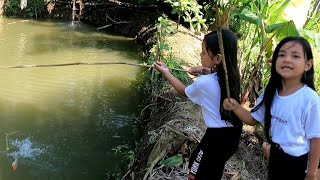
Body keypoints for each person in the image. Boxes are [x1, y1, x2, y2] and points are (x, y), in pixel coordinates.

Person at [223, 36, 320, 180]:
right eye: (281, 55)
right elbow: (252, 119)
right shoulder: (271, 90)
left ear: (308, 64)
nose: (287, 59)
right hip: (276, 155)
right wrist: (236, 107)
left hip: (297, 162)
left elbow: (316, 139)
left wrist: (311, 174)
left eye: (295, 56)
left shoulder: (310, 99)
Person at [154, 29, 243, 180]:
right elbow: (214, 77)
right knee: (212, 169)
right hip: (232, 134)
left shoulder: (204, 83)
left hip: (217, 137)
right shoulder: (231, 77)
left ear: (217, 58)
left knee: (195, 169)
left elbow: (184, 90)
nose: (200, 56)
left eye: (203, 53)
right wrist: (204, 69)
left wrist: (166, 72)